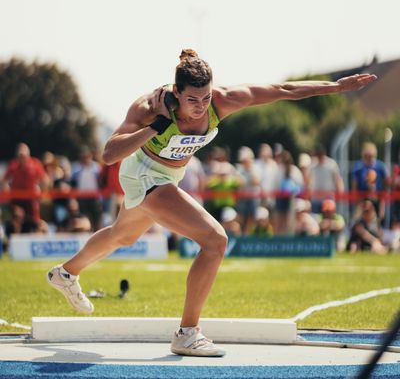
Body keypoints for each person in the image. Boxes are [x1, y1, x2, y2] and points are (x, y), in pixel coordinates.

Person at [46, 49, 376, 357]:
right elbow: (108, 154)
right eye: (192, 99)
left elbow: (282, 89)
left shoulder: (222, 102)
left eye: (205, 97)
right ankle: (187, 334)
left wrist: (333, 87)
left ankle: (66, 273)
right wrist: (155, 126)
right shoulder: (149, 107)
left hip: (167, 176)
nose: (201, 107)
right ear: (176, 92)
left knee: (123, 235)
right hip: (143, 174)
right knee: (215, 241)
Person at [2, 143, 49, 224]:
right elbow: (4, 180)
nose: (21, 158)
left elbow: (45, 180)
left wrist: (41, 192)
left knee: (35, 220)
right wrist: (7, 191)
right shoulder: (13, 164)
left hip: (31, 199)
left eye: (23, 156)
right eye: (20, 156)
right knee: (17, 216)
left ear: (28, 155)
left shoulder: (35, 164)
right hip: (16, 198)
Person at [351, 142, 390, 222]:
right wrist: (356, 200)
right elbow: (354, 184)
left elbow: (386, 183)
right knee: (360, 220)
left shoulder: (381, 166)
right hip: (362, 198)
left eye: (370, 156)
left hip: (377, 198)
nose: (368, 158)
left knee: (377, 219)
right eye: (366, 156)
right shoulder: (358, 167)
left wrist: (383, 201)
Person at [308, 144, 344, 213]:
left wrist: (340, 193)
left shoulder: (331, 164)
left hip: (328, 198)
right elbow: (309, 180)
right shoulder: (313, 164)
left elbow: (337, 180)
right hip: (316, 199)